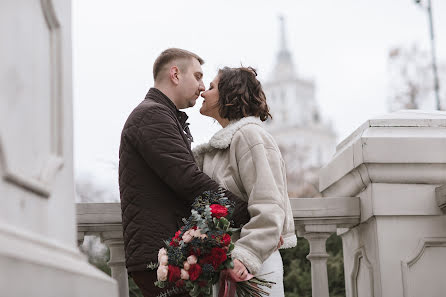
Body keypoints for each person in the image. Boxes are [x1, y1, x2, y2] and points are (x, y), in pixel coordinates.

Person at [118, 49, 250, 297]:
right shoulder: (151, 115)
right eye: (198, 76)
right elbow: (188, 181)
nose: (202, 87)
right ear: (175, 74)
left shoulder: (160, 114)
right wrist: (247, 213)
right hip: (161, 256)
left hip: (167, 252)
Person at [193, 66, 297, 296]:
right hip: (232, 264)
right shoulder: (228, 143)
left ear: (228, 95)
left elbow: (269, 206)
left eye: (211, 87)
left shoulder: (250, 136)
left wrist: (245, 257)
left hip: (251, 267)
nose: (203, 92)